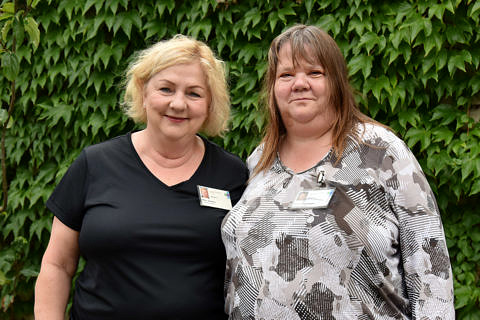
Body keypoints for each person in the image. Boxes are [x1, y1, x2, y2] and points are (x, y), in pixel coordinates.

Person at [221, 25, 455, 319]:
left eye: (315, 73)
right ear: (273, 87)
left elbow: (431, 263)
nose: (299, 83)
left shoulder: (379, 152)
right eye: (286, 75)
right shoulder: (260, 161)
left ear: (336, 83)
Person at [34, 35, 248, 320]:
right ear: (143, 92)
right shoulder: (95, 164)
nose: (178, 103)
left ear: (210, 105)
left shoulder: (232, 175)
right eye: (166, 89)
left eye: (194, 93)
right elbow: (57, 265)